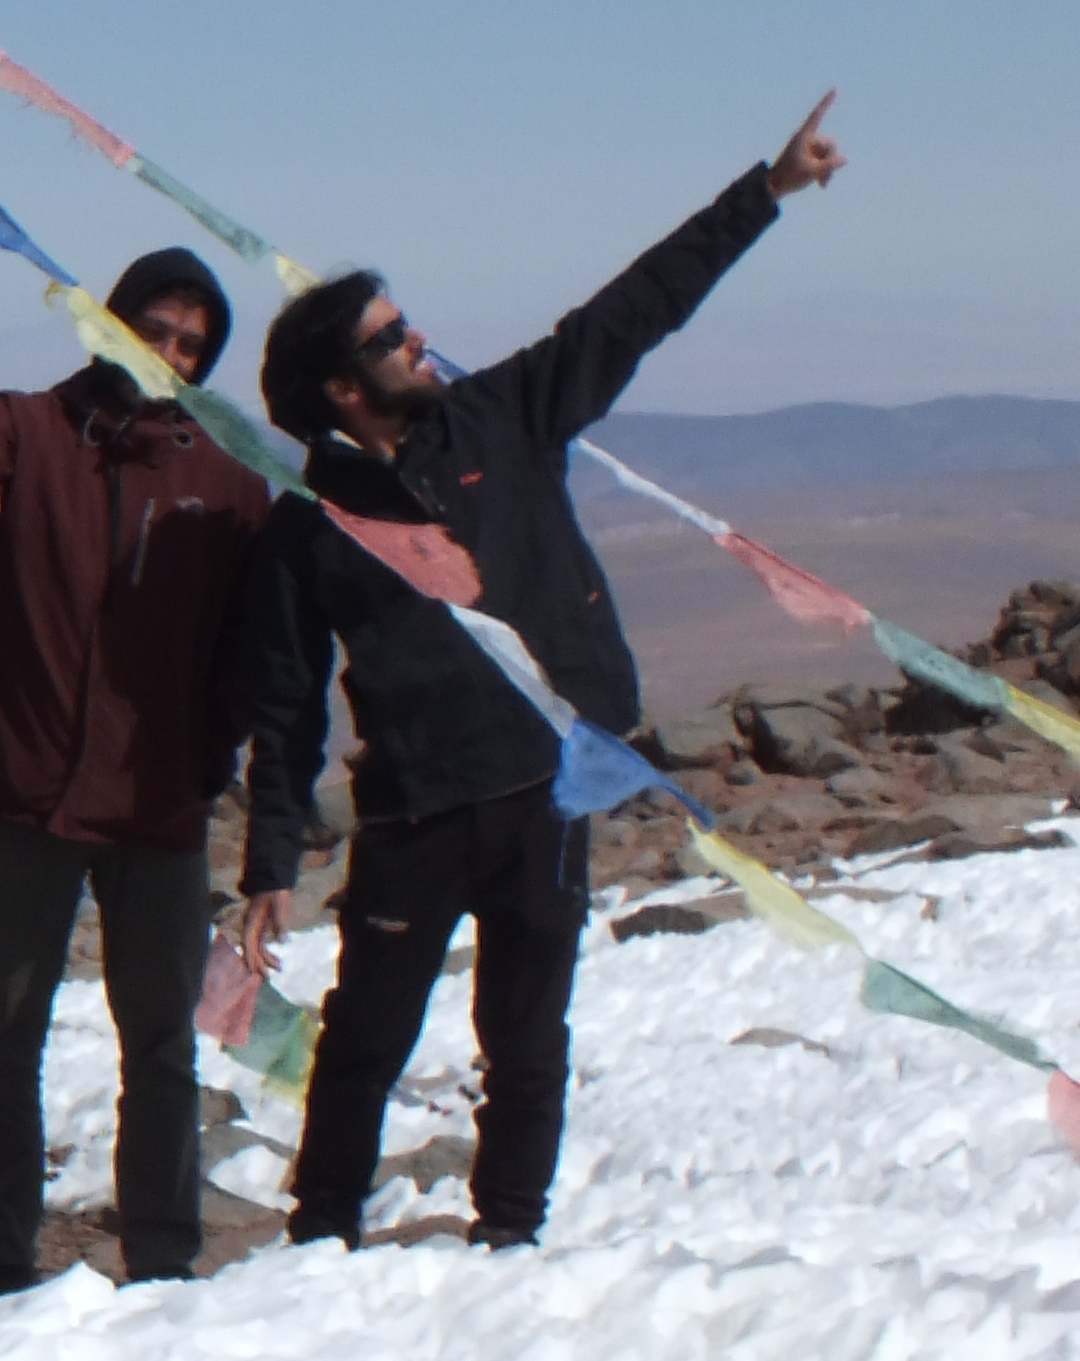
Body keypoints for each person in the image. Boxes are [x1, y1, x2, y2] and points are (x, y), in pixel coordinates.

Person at [232, 100, 848, 1253]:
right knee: (365, 1033)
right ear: (339, 391)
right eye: (390, 338)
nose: (420, 341)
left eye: (406, 322)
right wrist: (270, 862)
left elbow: (632, 312)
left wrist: (763, 191)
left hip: (547, 786)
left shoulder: (503, 418)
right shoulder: (309, 528)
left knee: (526, 1031)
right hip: (415, 805)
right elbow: (282, 706)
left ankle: (511, 1238)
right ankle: (317, 1245)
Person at [0, 249, 273, 1300]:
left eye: (192, 344)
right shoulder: (23, 425)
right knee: (4, 1036)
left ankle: (162, 1256)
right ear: (109, 322)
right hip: (25, 796)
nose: (170, 352)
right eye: (155, 327)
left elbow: (255, 645)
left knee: (159, 1045)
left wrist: (208, 754)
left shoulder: (227, 479)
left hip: (159, 806)